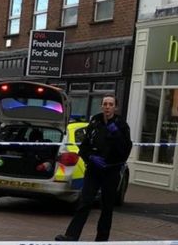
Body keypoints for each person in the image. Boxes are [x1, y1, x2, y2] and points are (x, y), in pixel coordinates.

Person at [56, 94, 132, 242]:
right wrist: (90, 157)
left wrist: (116, 134)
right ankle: (71, 235)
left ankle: (102, 239)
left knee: (107, 206)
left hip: (111, 170)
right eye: (105, 104)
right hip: (94, 169)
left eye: (110, 104)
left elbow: (125, 149)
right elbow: (84, 147)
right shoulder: (95, 122)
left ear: (115, 107)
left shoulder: (121, 125)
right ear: (101, 106)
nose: (107, 107)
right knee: (85, 202)